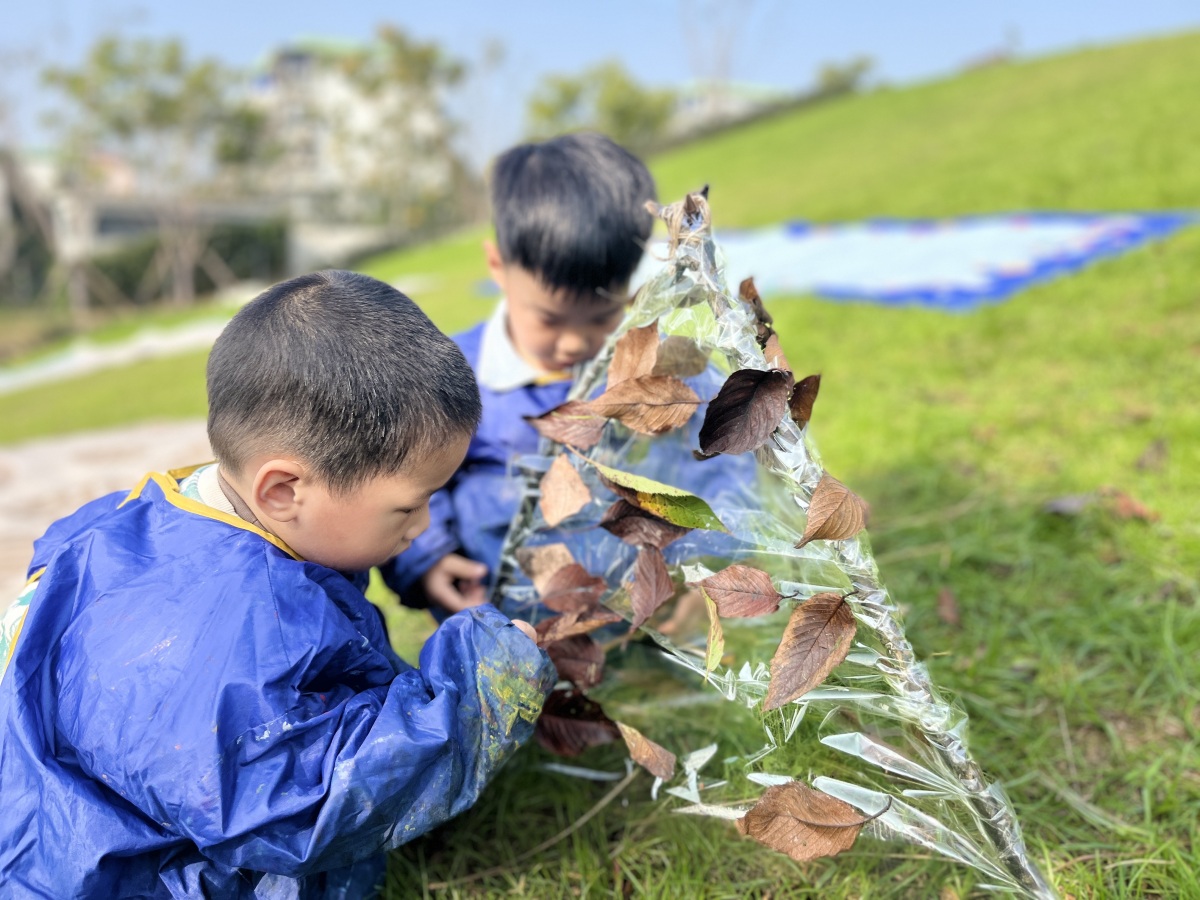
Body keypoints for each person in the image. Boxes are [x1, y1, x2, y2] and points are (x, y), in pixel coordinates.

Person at [0, 271, 555, 898]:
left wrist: (418, 558)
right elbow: (304, 808)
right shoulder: (235, 632)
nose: (424, 524)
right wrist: (476, 694)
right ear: (284, 490)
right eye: (409, 508)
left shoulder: (167, 516)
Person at [381, 133, 656, 616]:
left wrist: (694, 566)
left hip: (619, 597)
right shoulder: (452, 374)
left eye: (601, 317)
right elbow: (403, 476)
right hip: (498, 604)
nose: (574, 344)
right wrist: (429, 557)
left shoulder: (638, 362)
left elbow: (698, 463)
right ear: (498, 266)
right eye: (550, 319)